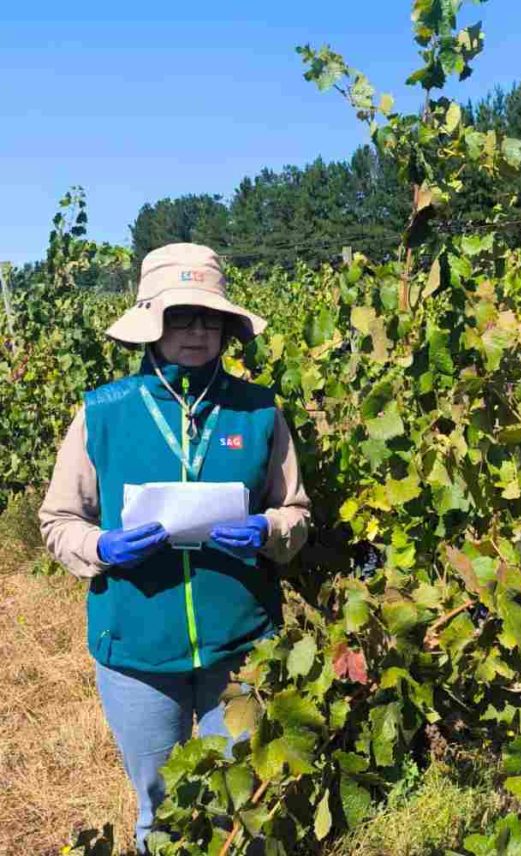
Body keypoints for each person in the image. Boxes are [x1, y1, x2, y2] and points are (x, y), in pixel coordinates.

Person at [39, 243, 311, 854]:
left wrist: (269, 531)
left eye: (207, 317)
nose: (195, 331)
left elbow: (295, 511)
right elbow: (58, 520)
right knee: (160, 812)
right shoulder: (102, 413)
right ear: (152, 323)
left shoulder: (259, 410)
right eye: (180, 316)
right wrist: (103, 545)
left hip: (241, 649)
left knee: (236, 807)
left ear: (225, 326)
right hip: (135, 649)